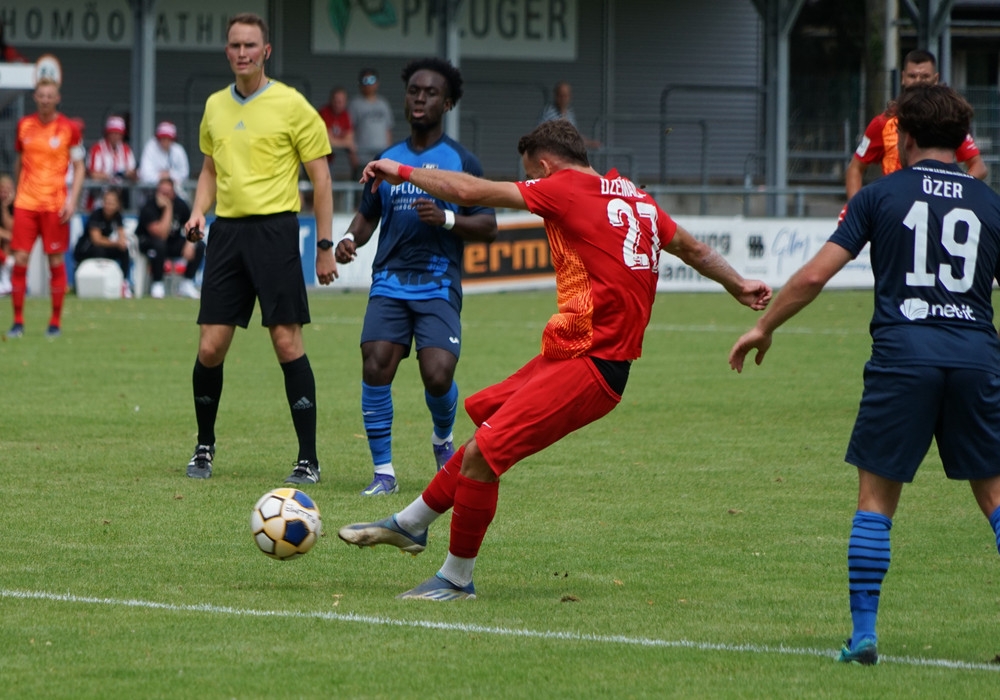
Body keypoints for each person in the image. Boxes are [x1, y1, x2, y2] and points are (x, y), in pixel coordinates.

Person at [337, 119, 772, 600]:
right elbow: (693, 248)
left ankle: (456, 579)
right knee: (485, 432)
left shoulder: (563, 188)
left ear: (545, 166)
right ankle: (410, 523)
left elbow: (470, 189)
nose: (533, 182)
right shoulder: (634, 196)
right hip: (574, 351)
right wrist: (739, 284)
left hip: (594, 364)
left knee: (485, 454)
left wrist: (401, 169)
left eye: (533, 174)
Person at [729, 84, 1000, 666]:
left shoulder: (881, 194)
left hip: (904, 355)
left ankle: (864, 634)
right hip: (977, 357)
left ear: (905, 137)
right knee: (996, 495)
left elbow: (811, 278)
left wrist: (764, 327)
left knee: (876, 500)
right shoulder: (990, 202)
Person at [182, 12, 336, 484]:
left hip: (275, 233)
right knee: (211, 347)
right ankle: (204, 447)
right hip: (226, 235)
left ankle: (307, 458)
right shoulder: (213, 106)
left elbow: (322, 179)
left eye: (250, 45)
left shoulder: (292, 105)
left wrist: (325, 246)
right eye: (234, 46)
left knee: (287, 342)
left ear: (266, 51)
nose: (242, 53)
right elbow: (209, 169)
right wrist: (197, 210)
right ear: (226, 51)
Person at [335, 57, 499, 497]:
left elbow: (488, 225)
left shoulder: (461, 160)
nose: (420, 98)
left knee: (438, 374)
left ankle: (442, 439)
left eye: (430, 93)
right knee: (375, 363)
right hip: (389, 279)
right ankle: (384, 472)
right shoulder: (387, 160)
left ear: (447, 103)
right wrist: (350, 239)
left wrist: (446, 218)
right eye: (414, 91)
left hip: (438, 281)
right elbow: (368, 215)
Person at [845, 49, 987, 201]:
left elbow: (978, 167)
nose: (918, 81)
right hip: (894, 208)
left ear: (936, 78)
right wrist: (856, 208)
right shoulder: (883, 123)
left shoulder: (947, 121)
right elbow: (855, 168)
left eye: (925, 76)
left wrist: (952, 191)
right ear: (903, 78)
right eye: (912, 76)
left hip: (932, 208)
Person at [6, 77, 85, 339]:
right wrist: (18, 192)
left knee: (55, 261)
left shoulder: (68, 128)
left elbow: (79, 166)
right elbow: (20, 161)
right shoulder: (24, 126)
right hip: (27, 204)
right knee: (19, 260)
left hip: (55, 206)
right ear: (35, 98)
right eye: (41, 95)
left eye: (50, 95)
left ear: (57, 98)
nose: (45, 100)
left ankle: (55, 323)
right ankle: (17, 322)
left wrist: (72, 200)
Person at [136, 176, 204, 299]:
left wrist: (190, 244)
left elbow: (192, 226)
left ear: (173, 192)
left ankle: (187, 283)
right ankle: (157, 283)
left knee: (199, 245)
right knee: (159, 245)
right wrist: (168, 209)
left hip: (172, 242)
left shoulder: (181, 204)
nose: (165, 196)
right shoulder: (149, 206)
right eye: (162, 193)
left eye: (168, 193)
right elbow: (161, 234)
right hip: (150, 242)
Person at [72, 187, 131, 296]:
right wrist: (116, 243)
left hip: (106, 247)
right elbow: (96, 239)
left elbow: (122, 235)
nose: (109, 206)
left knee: (124, 251)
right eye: (107, 202)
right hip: (87, 249)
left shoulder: (117, 217)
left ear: (117, 205)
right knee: (100, 252)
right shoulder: (96, 215)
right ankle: (95, 286)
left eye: (112, 203)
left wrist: (122, 242)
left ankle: (123, 283)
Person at [349, 68, 394, 176]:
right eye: (365, 80)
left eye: (372, 80)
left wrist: (389, 154)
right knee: (362, 190)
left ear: (377, 83)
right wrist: (353, 155)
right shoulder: (355, 104)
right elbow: (350, 131)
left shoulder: (383, 104)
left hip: (381, 157)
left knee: (381, 189)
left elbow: (388, 130)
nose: (369, 84)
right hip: (362, 158)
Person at [86, 115, 138, 208]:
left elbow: (134, 174)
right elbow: (93, 174)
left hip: (119, 199)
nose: (115, 136)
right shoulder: (97, 148)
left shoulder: (126, 150)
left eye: (119, 133)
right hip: (98, 199)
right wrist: (113, 175)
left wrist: (130, 174)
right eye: (112, 133)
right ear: (107, 133)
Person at [539, 81, 601, 150]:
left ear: (570, 97)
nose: (563, 99)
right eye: (561, 96)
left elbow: (574, 136)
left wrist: (590, 143)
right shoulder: (548, 112)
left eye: (566, 96)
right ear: (556, 96)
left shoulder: (570, 113)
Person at [139, 121, 190, 197]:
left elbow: (184, 173)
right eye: (162, 138)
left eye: (168, 138)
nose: (165, 141)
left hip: (175, 194)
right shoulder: (150, 147)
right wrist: (161, 177)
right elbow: (145, 175)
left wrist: (169, 175)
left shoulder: (178, 150)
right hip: (152, 194)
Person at [317, 86, 358, 178]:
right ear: (331, 100)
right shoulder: (324, 113)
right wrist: (344, 143)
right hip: (317, 158)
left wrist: (338, 142)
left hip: (331, 160)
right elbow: (328, 141)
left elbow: (350, 140)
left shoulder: (345, 115)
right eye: (336, 101)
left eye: (341, 101)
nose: (338, 104)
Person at [0, 174, 13, 296]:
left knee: (7, 240)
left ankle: (5, 280)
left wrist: (4, 207)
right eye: (2, 191)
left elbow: (11, 227)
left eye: (7, 191)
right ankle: (8, 262)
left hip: (9, 243)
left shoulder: (15, 205)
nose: (4, 194)